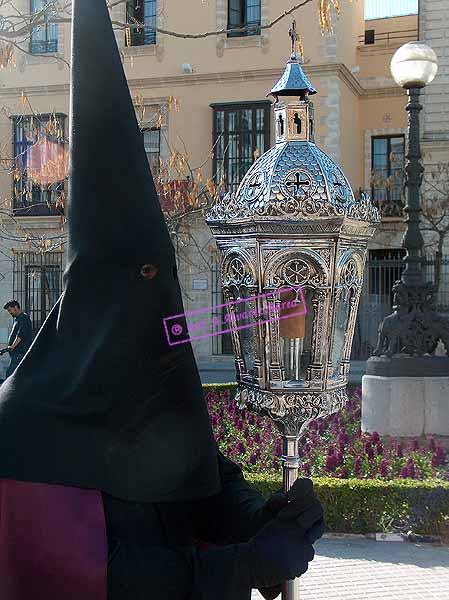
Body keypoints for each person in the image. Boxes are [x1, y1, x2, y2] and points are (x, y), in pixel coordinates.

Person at [0, 1, 324, 599]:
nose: (156, 309)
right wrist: (245, 567)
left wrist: (267, 519)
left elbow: (207, 480)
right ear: (91, 304)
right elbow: (94, 580)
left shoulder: (155, 384)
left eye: (164, 284)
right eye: (139, 284)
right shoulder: (17, 430)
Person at [0, 301, 33, 378]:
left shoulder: (24, 318)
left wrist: (12, 346)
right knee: (17, 375)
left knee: (10, 374)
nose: (9, 312)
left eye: (10, 310)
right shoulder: (17, 319)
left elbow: (21, 334)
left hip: (20, 352)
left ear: (15, 307)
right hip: (16, 352)